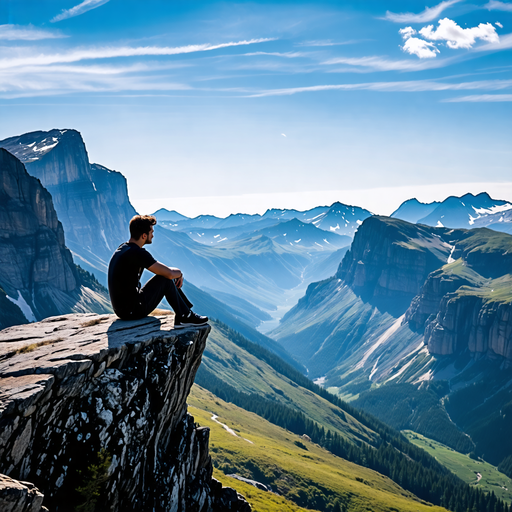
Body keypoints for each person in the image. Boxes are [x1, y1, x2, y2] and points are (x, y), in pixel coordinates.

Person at [108, 214, 208, 328]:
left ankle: (185, 313)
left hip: (122, 309)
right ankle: (185, 316)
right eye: (151, 232)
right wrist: (179, 273)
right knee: (164, 279)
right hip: (132, 310)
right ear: (144, 236)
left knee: (164, 277)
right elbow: (169, 273)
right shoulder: (138, 253)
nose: (153, 235)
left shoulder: (123, 248)